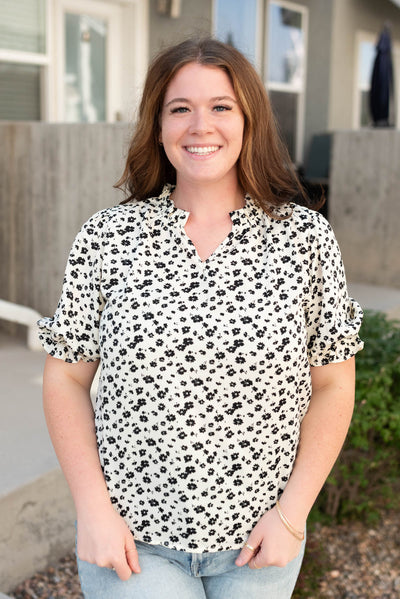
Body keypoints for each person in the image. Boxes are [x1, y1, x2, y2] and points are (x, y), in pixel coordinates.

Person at [38, 37, 364, 599]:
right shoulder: (108, 238)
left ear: (249, 120)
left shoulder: (304, 238)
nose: (200, 125)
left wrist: (291, 517)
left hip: (259, 544)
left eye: (220, 107)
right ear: (158, 125)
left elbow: (333, 383)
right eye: (180, 108)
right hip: (134, 542)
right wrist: (92, 511)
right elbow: (66, 375)